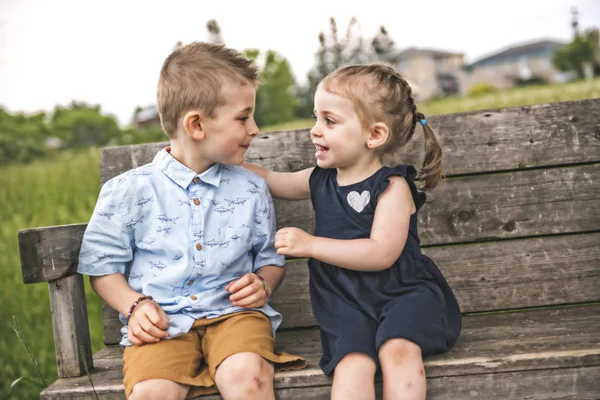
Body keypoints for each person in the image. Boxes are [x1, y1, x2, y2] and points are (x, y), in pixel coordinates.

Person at [77, 41, 305, 400]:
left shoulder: (251, 188)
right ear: (196, 125)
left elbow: (270, 258)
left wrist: (263, 284)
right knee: (151, 393)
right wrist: (134, 306)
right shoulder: (129, 191)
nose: (255, 128)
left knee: (249, 378)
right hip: (161, 325)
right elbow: (102, 267)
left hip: (236, 317)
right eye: (243, 117)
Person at [243, 64, 461, 400]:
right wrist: (227, 158)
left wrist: (312, 245)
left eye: (329, 121)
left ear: (374, 135)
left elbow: (380, 253)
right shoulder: (319, 180)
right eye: (316, 118)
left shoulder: (392, 187)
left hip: (402, 297)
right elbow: (271, 180)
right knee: (352, 364)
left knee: (397, 349)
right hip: (345, 304)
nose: (315, 130)